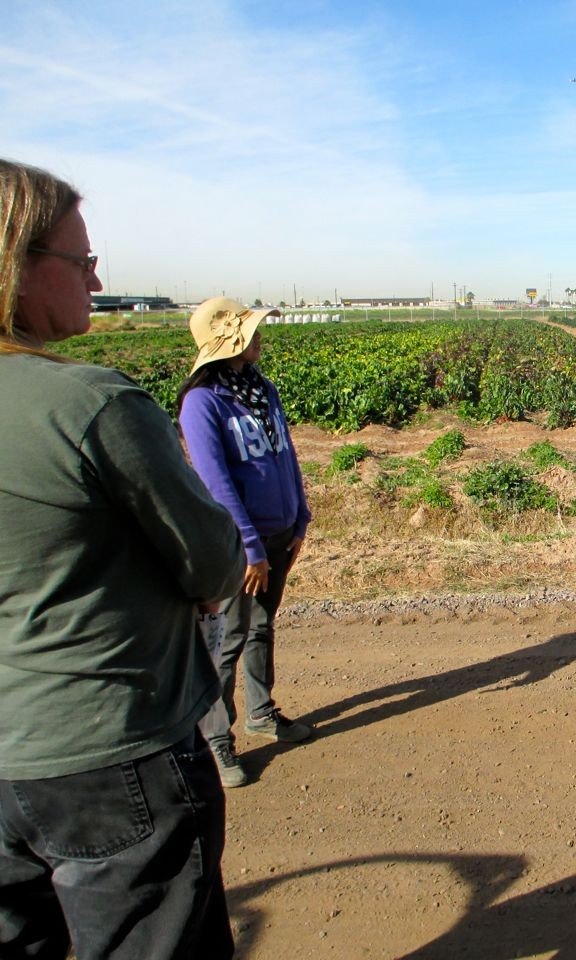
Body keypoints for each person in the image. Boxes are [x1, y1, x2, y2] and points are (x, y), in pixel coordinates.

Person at [0, 159, 243, 957]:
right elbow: (210, 561)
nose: (96, 276)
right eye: (81, 260)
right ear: (18, 267)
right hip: (105, 744)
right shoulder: (88, 402)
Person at [178, 297, 314, 787]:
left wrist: (301, 518)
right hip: (241, 544)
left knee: (261, 627)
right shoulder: (203, 403)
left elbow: (286, 455)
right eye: (251, 330)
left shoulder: (261, 389)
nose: (260, 337)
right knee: (229, 639)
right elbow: (215, 482)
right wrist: (251, 547)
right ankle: (217, 738)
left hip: (279, 534)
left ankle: (261, 711)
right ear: (228, 342)